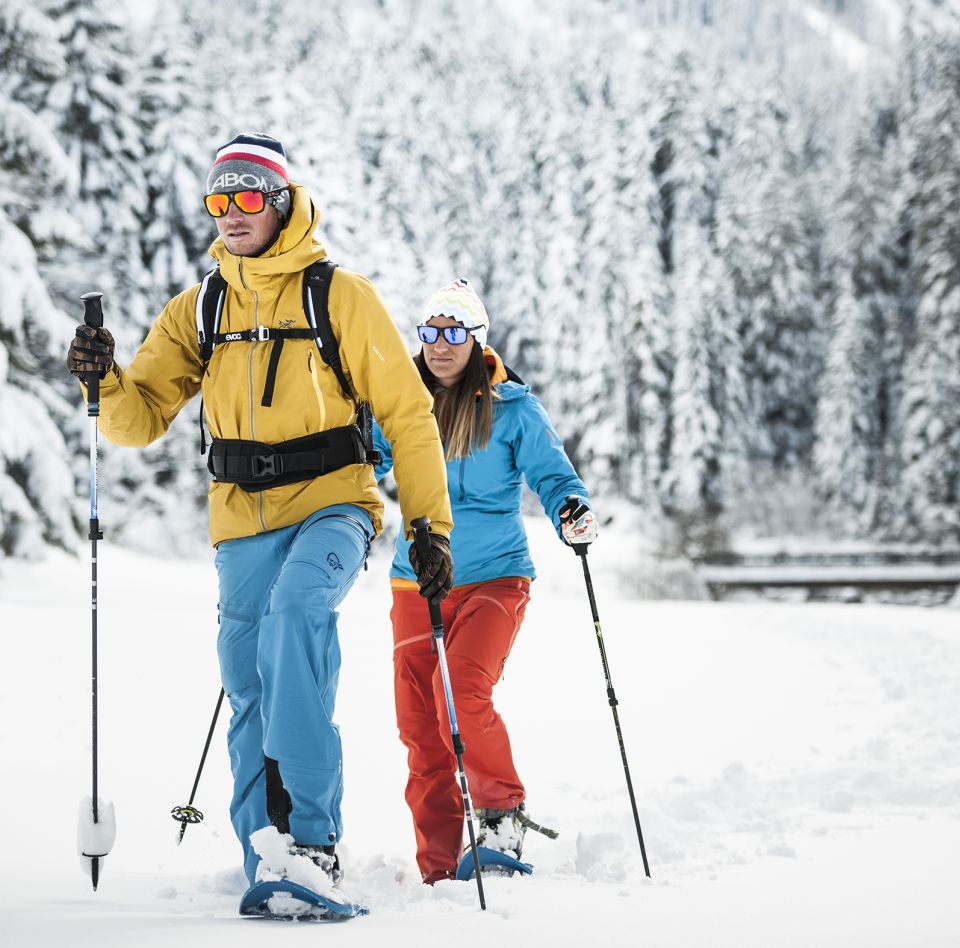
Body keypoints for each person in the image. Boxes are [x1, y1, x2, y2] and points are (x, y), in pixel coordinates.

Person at [66, 133, 454, 892]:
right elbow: (138, 420)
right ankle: (265, 859)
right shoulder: (200, 307)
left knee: (295, 617)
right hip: (241, 520)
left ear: (280, 201)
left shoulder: (339, 294)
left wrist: (428, 527)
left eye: (248, 195)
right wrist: (104, 377)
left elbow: (408, 415)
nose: (232, 212)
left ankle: (314, 844)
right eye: (219, 198)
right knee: (246, 681)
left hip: (334, 504)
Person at [372, 278, 598, 884]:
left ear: (477, 341)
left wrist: (571, 509)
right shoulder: (401, 401)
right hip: (416, 580)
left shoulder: (512, 407)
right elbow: (365, 461)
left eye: (454, 334)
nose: (439, 346)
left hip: (497, 576)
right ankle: (440, 867)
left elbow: (554, 477)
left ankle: (499, 816)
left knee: (464, 693)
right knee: (420, 730)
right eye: (429, 333)